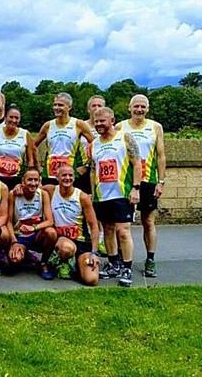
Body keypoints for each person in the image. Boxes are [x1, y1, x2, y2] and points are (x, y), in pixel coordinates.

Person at [90, 107, 141, 287]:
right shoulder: (94, 143)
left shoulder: (124, 137)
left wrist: (136, 188)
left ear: (112, 120)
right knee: (108, 230)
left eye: (102, 121)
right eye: (96, 121)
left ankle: (127, 267)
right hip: (102, 195)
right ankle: (113, 264)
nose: (98, 125)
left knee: (123, 231)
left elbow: (137, 164)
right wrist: (92, 193)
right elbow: (94, 169)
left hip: (122, 193)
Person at [117, 95, 166, 277]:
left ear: (148, 108)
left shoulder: (155, 127)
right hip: (127, 181)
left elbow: (161, 156)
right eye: (136, 106)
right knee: (122, 224)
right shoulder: (121, 126)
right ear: (129, 108)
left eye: (143, 107)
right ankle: (123, 259)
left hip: (148, 180)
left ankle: (150, 259)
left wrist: (161, 182)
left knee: (148, 221)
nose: (139, 110)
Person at [42, 165, 100, 285]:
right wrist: (18, 187)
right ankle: (59, 261)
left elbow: (94, 226)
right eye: (64, 175)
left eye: (70, 175)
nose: (67, 178)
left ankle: (76, 264)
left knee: (91, 280)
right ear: (57, 177)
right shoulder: (50, 190)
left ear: (74, 178)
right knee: (66, 248)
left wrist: (94, 253)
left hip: (81, 241)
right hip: (61, 241)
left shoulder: (82, 197)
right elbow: (31, 187)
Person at [3, 168, 56, 279]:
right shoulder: (13, 194)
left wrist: (34, 227)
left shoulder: (43, 194)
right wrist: (14, 242)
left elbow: (50, 221)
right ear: (23, 181)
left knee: (51, 233)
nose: (33, 183)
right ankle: (26, 256)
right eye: (30, 180)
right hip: (20, 236)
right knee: (15, 259)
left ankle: (43, 263)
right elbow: (8, 221)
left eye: (36, 180)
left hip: (36, 235)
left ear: (40, 181)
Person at [35, 92, 94, 186]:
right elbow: (33, 145)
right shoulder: (48, 125)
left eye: (60, 105)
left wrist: (86, 165)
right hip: (50, 174)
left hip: (71, 173)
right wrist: (38, 166)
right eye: (55, 105)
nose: (57, 108)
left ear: (69, 107)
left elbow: (95, 143)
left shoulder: (78, 124)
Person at [0, 104, 36, 190]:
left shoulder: (25, 134)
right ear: (5, 118)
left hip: (17, 178)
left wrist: (27, 178)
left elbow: (30, 160)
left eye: (17, 118)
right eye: (11, 117)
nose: (13, 120)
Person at [74, 95, 105, 194]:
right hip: (83, 170)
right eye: (93, 106)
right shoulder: (79, 126)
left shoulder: (111, 128)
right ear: (88, 109)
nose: (97, 109)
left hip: (103, 168)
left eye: (100, 106)